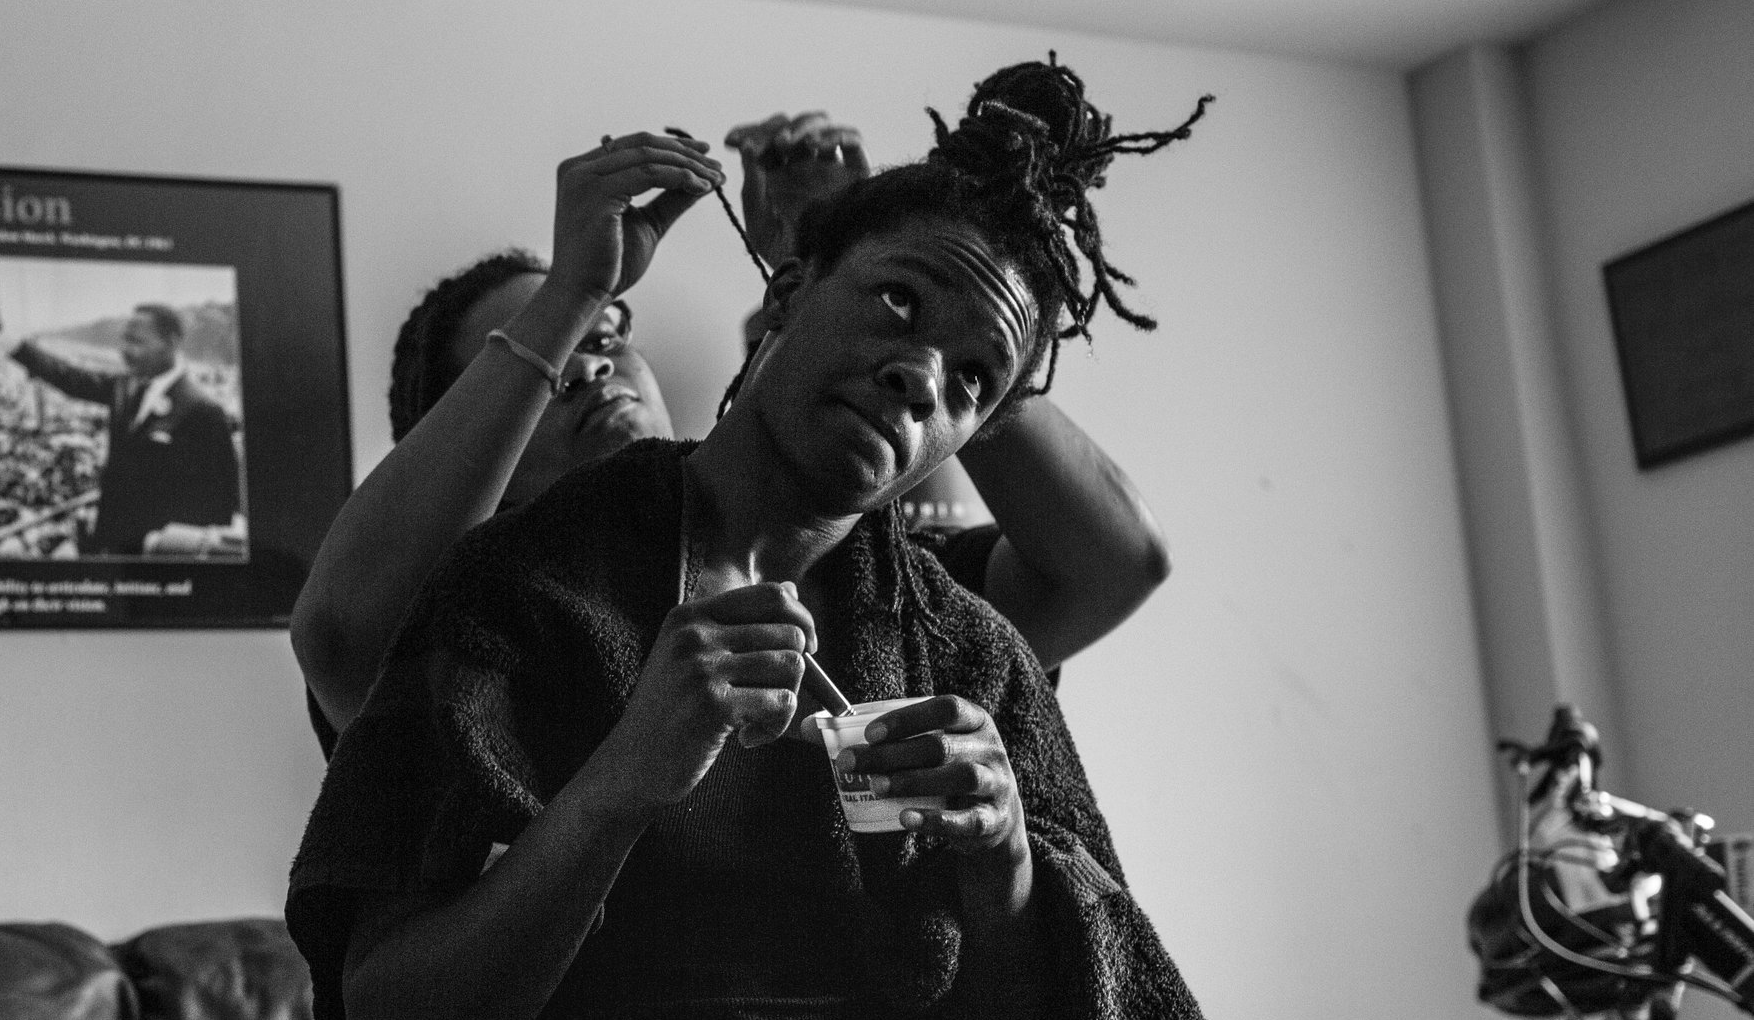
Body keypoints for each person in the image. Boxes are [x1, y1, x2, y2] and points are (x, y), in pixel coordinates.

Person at [286, 58, 1649, 1020]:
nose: (922, 374)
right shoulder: (507, 599)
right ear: (787, 293)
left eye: (972, 378)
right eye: (888, 308)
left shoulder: (956, 632)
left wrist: (1004, 868)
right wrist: (622, 780)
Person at [288, 106, 1171, 741]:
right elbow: (344, 639)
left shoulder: (877, 595)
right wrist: (573, 288)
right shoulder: (478, 631)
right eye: (549, 357)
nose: (590, 363)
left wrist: (899, 266)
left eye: (607, 332)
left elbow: (1112, 562)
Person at [11, 303, 245, 558]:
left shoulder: (203, 411)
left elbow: (221, 503)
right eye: (124, 341)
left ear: (172, 343)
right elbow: (70, 378)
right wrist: (15, 346)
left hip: (158, 557)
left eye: (137, 342)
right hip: (111, 547)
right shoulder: (125, 386)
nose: (126, 351)